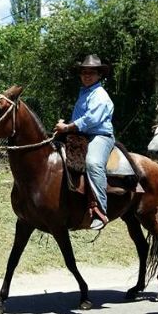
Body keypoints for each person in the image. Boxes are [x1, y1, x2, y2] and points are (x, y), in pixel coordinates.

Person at [53, 55, 115, 230]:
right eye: (84, 72)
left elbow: (92, 119)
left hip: (99, 136)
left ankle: (99, 211)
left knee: (93, 163)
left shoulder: (100, 95)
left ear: (99, 75)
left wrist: (67, 128)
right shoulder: (84, 93)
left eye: (92, 73)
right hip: (81, 135)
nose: (87, 75)